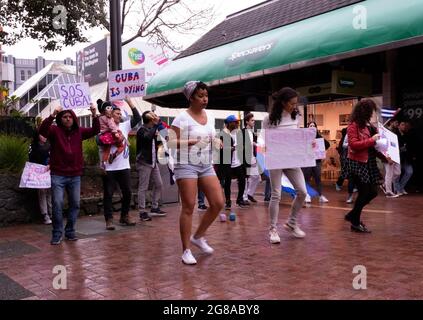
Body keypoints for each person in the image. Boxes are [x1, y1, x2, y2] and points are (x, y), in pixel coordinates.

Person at [169, 80, 224, 265]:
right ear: (191, 97)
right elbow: (170, 142)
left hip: (205, 164)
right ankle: (186, 250)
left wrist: (217, 142)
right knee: (189, 206)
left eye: (206, 95)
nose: (205, 99)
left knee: (218, 203)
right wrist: (191, 142)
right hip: (186, 164)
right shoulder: (181, 118)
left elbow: (213, 137)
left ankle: (198, 236)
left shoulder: (210, 115)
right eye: (200, 96)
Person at [39, 104, 100, 244]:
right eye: (64, 117)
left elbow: (96, 130)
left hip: (75, 175)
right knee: (57, 204)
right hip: (58, 175)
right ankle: (57, 233)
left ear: (74, 118)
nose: (67, 119)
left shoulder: (79, 132)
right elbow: (42, 131)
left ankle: (70, 231)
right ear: (60, 119)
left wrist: (94, 114)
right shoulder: (54, 131)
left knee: (75, 204)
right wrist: (53, 114)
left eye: (70, 117)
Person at [263, 87, 307, 243]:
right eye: (291, 103)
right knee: (276, 194)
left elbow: (297, 136)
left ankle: (291, 223)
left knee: (302, 192)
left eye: (296, 103)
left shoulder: (296, 117)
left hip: (292, 158)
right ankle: (273, 229)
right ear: (282, 102)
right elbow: (264, 141)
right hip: (275, 158)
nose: (294, 106)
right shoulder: (269, 119)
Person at [343, 99, 386, 233]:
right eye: (369, 112)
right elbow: (354, 145)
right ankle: (355, 221)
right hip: (357, 163)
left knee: (372, 192)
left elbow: (374, 147)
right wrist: (371, 140)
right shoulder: (353, 126)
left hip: (368, 162)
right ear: (364, 112)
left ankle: (353, 215)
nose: (371, 115)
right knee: (365, 192)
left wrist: (385, 158)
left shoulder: (368, 127)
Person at [100, 98, 140, 230]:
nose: (118, 115)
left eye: (119, 113)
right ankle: (109, 219)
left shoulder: (125, 126)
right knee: (109, 194)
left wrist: (129, 102)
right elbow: (99, 141)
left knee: (128, 193)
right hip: (109, 168)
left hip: (124, 167)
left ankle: (124, 216)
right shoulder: (104, 127)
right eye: (116, 113)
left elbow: (138, 117)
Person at [136, 110, 166, 221]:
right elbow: (147, 137)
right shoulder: (141, 130)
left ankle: (154, 207)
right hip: (144, 162)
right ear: (150, 120)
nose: (156, 118)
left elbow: (164, 136)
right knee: (143, 187)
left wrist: (160, 125)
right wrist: (156, 126)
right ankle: (142, 211)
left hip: (153, 161)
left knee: (159, 184)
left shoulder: (153, 129)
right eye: (154, 117)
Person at [216, 115, 250, 210]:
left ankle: (239, 200)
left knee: (242, 180)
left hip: (238, 162)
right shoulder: (222, 134)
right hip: (227, 163)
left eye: (237, 122)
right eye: (235, 122)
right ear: (229, 123)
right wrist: (231, 148)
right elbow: (219, 148)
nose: (237, 123)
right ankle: (228, 201)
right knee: (227, 183)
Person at [302, 121, 330, 203]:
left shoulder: (319, 137)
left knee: (318, 179)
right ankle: (307, 195)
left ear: (316, 128)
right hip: (307, 161)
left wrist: (322, 150)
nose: (312, 127)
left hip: (317, 161)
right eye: (310, 125)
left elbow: (327, 144)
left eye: (314, 125)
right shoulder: (305, 137)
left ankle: (321, 196)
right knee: (306, 178)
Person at [28, 132, 52, 225]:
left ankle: (52, 212)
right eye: (42, 135)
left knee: (50, 192)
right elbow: (31, 159)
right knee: (42, 192)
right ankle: (45, 214)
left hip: (50, 170)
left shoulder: (50, 144)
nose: (44, 137)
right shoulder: (33, 146)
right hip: (39, 171)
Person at [97, 99, 125, 167]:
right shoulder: (108, 118)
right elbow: (111, 126)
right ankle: (114, 154)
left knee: (107, 150)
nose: (110, 110)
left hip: (103, 136)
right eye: (108, 108)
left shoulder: (100, 118)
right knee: (121, 146)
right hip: (110, 135)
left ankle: (103, 162)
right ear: (104, 110)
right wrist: (116, 133)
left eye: (111, 108)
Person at [242, 113, 260, 203]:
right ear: (247, 122)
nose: (254, 122)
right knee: (245, 177)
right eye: (252, 120)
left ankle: (249, 194)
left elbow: (255, 144)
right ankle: (244, 197)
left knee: (257, 177)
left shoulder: (253, 133)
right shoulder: (242, 132)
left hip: (252, 157)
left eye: (254, 120)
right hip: (245, 158)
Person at [335, 127, 356, 203]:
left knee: (352, 175)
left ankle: (355, 190)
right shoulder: (348, 134)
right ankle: (350, 194)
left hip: (357, 158)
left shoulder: (361, 132)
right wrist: (352, 144)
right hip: (348, 158)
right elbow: (343, 145)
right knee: (349, 175)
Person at [393, 120, 414, 196]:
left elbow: (409, 146)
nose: (404, 126)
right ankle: (397, 189)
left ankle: (401, 187)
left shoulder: (406, 135)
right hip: (398, 157)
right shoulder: (395, 134)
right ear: (398, 126)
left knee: (409, 172)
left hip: (406, 158)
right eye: (402, 124)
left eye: (404, 125)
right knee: (397, 174)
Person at [382, 119, 400, 198]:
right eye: (396, 122)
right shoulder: (386, 132)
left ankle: (384, 184)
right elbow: (384, 145)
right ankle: (388, 192)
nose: (397, 124)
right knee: (389, 174)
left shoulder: (395, 131)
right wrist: (387, 157)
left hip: (395, 155)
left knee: (398, 172)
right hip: (388, 155)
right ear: (391, 122)